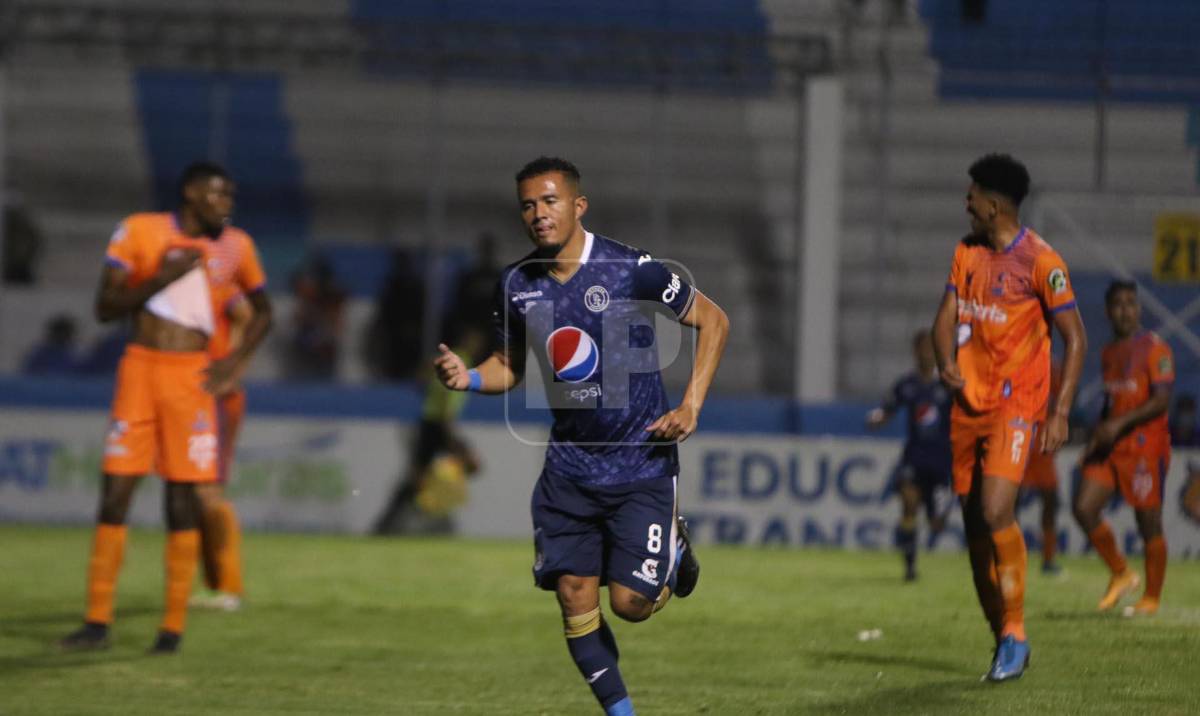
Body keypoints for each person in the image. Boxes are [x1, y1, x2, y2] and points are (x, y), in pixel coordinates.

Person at [434, 157, 729, 716]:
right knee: (574, 596)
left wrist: (690, 404)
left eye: (549, 201)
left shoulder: (631, 269)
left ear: (577, 205)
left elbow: (715, 321)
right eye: (528, 204)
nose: (538, 214)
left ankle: (673, 548)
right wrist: (469, 377)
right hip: (570, 470)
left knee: (630, 605)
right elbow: (508, 366)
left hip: (640, 463)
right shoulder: (517, 285)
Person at [59, 162, 272, 654]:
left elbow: (263, 311)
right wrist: (162, 277)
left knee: (183, 499)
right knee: (115, 491)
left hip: (191, 377)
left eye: (230, 196)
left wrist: (233, 365)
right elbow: (105, 307)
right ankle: (96, 622)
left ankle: (171, 629)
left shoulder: (236, 246)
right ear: (192, 193)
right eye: (220, 194)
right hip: (139, 370)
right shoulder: (140, 231)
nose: (227, 203)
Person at [931, 153, 1086, 682]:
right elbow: (947, 314)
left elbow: (1076, 338)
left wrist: (1060, 411)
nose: (965, 203)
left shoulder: (1042, 261)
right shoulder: (966, 252)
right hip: (967, 409)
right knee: (976, 536)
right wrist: (946, 361)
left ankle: (1017, 631)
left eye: (972, 195)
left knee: (997, 510)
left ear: (994, 205)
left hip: (1015, 406)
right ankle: (1004, 641)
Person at [1073, 281, 1173, 616]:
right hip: (1111, 446)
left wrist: (1117, 424)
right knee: (1083, 508)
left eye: (1131, 303)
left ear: (1139, 309)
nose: (1125, 310)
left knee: (1149, 522)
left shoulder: (1155, 348)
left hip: (1146, 446)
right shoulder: (1108, 352)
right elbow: (1110, 402)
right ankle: (1121, 572)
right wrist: (1095, 439)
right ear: (1108, 311)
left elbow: (1161, 401)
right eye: (1118, 304)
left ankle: (1152, 598)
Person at [372, 325, 486, 536]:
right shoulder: (461, 361)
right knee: (462, 465)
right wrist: (447, 424)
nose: (477, 346)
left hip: (433, 422)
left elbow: (425, 375)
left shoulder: (449, 358)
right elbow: (447, 393)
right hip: (438, 423)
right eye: (475, 341)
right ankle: (420, 515)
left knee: (423, 473)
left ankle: (408, 516)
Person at [866, 330, 953, 582]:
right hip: (915, 457)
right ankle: (910, 567)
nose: (927, 353)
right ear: (916, 352)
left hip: (941, 462)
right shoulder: (907, 385)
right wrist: (877, 419)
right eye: (923, 348)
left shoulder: (947, 384)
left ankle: (912, 534)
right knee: (909, 503)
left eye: (930, 348)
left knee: (937, 523)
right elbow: (888, 409)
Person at [191, 288, 256, 611]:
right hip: (194, 390)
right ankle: (214, 583)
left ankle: (229, 587)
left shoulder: (211, 275)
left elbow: (245, 314)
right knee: (195, 491)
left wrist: (231, 371)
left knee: (207, 489)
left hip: (216, 394)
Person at [1021, 359, 1064, 575]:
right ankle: (1008, 555)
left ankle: (1048, 556)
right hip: (1019, 437)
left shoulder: (1053, 371)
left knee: (1050, 501)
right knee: (1009, 502)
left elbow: (1064, 402)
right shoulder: (1016, 364)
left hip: (1042, 445)